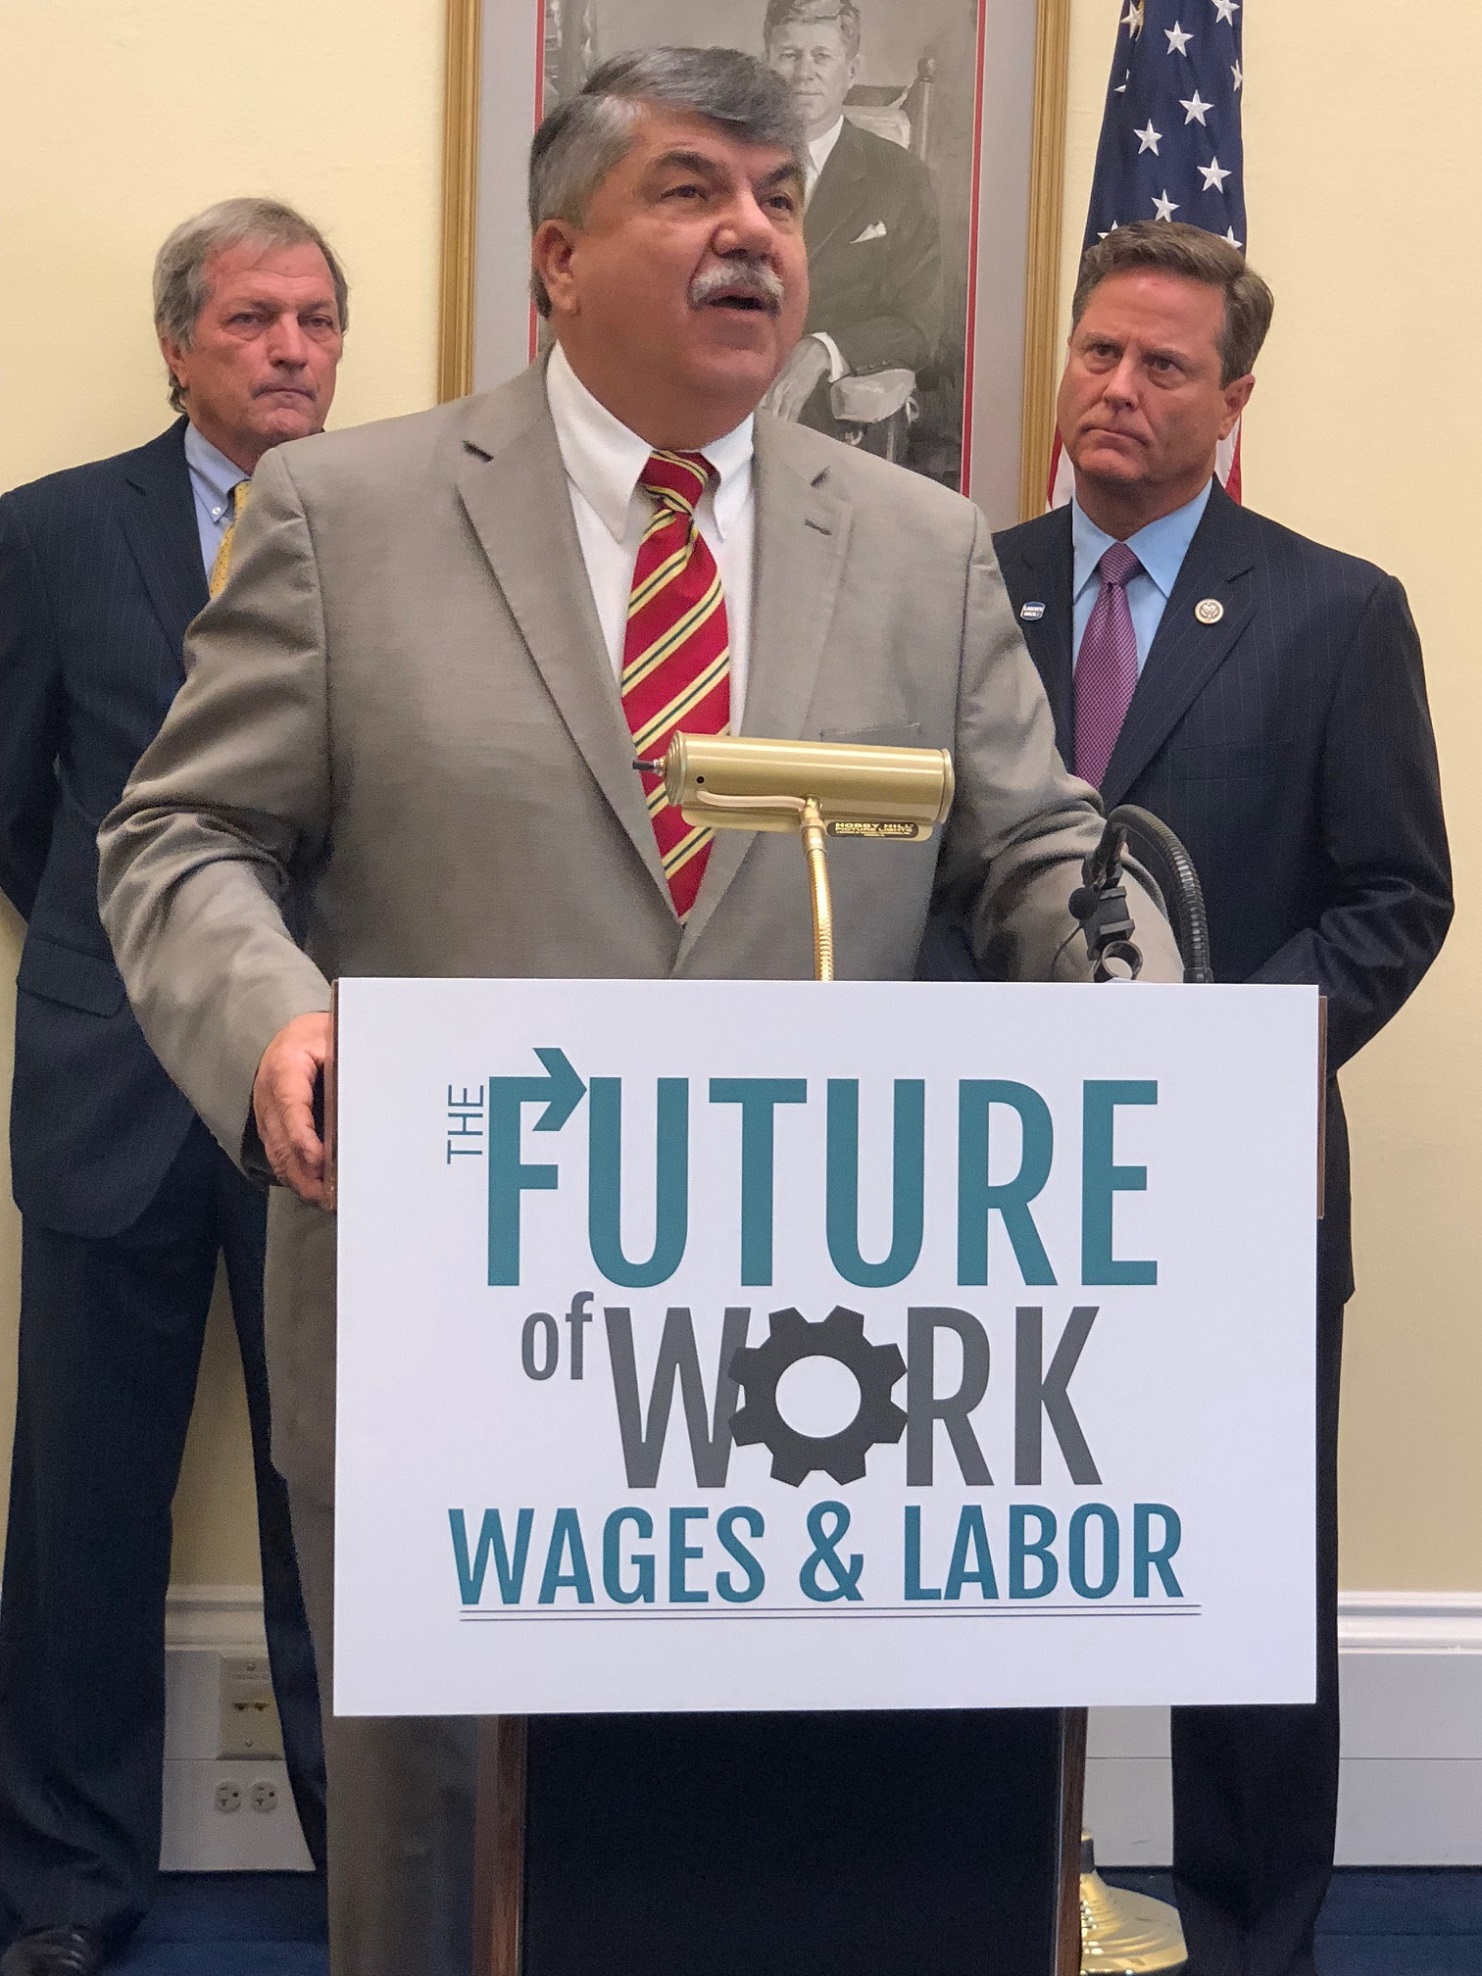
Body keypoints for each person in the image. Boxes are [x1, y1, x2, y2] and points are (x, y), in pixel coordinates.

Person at [97, 50, 1180, 1975]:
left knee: (773, 1855)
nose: (755, 230)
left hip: (815, 1362)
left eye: (775, 196)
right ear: (556, 255)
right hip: (452, 1328)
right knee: (448, 1857)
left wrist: (1142, 1026)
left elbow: (1036, 855)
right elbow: (182, 838)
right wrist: (271, 1022)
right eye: (693, 190)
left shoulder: (920, 547)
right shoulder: (345, 515)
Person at [992, 220, 1452, 1976]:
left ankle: (1257, 1939)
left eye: (1160, 365)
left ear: (1231, 397)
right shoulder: (972, 587)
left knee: (1243, 1585)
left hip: (1238, 1177)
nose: (1114, 389)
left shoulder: (1331, 611)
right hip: (988, 1180)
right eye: (1096, 352)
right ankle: (996, 1900)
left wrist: (1209, 1058)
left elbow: (1394, 895)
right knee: (994, 1555)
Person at [0, 197, 341, 1976]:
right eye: (254, 319)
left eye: (316, 320)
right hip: (110, 1080)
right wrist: (125, 965)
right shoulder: (52, 536)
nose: (292, 349)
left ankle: (376, 1872)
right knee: (82, 1509)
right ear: (177, 345)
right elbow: (17, 802)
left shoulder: (390, 533)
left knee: (337, 1497)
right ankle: (62, 1886)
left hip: (328, 1106)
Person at [760, 0, 943, 439]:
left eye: (821, 56)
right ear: (767, 61)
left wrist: (825, 350)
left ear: (852, 69)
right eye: (789, 54)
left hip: (832, 418)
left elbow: (921, 326)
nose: (804, 71)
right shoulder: (727, 163)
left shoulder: (900, 178)